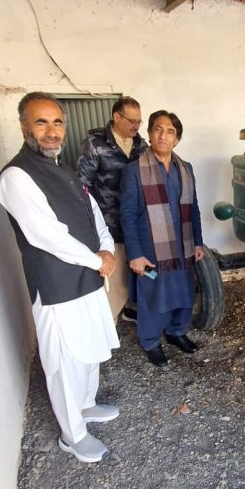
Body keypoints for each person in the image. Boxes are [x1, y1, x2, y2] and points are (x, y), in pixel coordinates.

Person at [0, 92, 121, 464]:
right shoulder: (16, 176)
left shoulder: (64, 169)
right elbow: (44, 234)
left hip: (88, 274)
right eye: (41, 122)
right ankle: (73, 434)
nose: (51, 131)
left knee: (89, 347)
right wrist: (94, 259)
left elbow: (93, 211)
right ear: (24, 127)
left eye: (57, 122)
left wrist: (107, 249)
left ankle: (85, 405)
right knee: (64, 360)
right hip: (55, 285)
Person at [120, 110, 204, 367]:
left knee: (184, 293)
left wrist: (198, 241)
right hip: (152, 249)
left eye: (169, 131)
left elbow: (194, 207)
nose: (163, 135)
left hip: (183, 245)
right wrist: (134, 253)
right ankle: (150, 342)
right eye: (158, 129)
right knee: (154, 297)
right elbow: (127, 214)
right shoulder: (134, 171)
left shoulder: (185, 168)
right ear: (149, 134)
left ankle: (177, 332)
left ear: (176, 139)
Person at [77, 97, 147, 323]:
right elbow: (83, 185)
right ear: (116, 117)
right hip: (109, 221)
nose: (136, 126)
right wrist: (90, 222)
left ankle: (130, 309)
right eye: (132, 121)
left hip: (135, 220)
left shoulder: (140, 145)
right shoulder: (95, 143)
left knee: (134, 269)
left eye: (139, 122)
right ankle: (109, 322)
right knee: (113, 275)